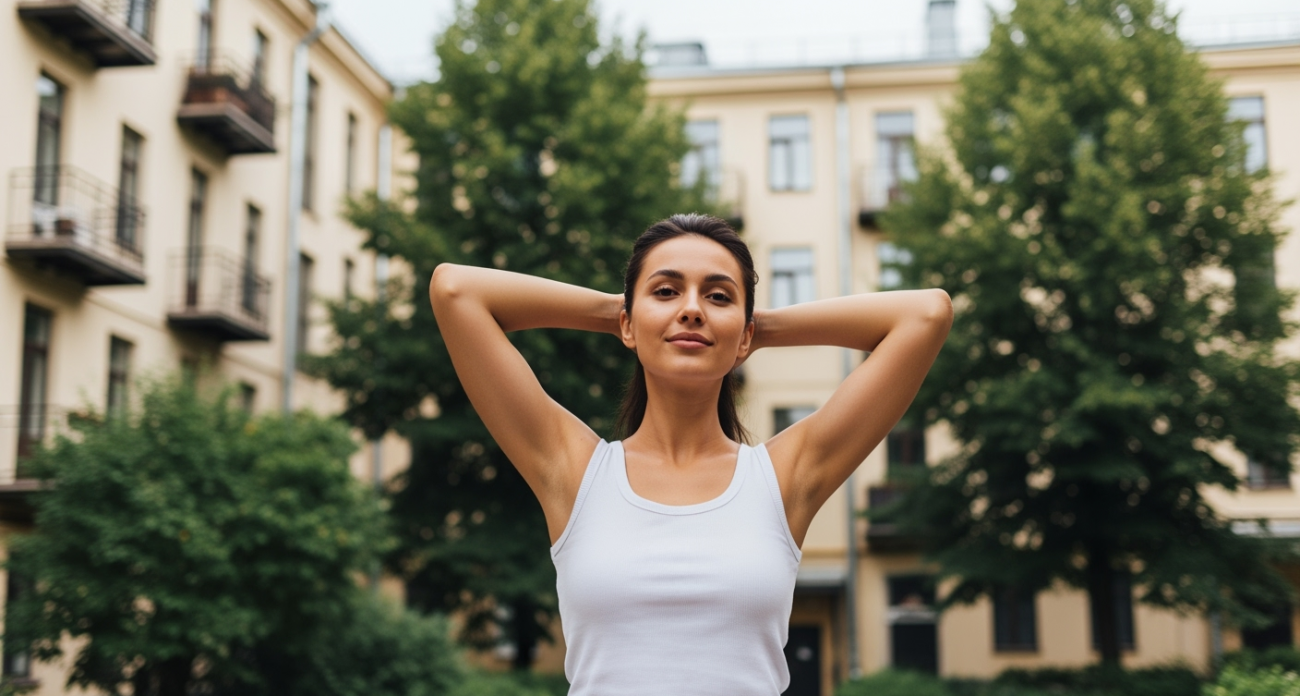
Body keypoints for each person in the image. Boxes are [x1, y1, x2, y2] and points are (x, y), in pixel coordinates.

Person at [429, 213, 952, 695]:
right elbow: (455, 290)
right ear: (628, 322)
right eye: (666, 291)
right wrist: (619, 315)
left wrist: (754, 330)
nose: (692, 309)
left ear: (745, 333)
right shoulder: (575, 472)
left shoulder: (783, 478)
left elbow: (926, 314)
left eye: (718, 297)